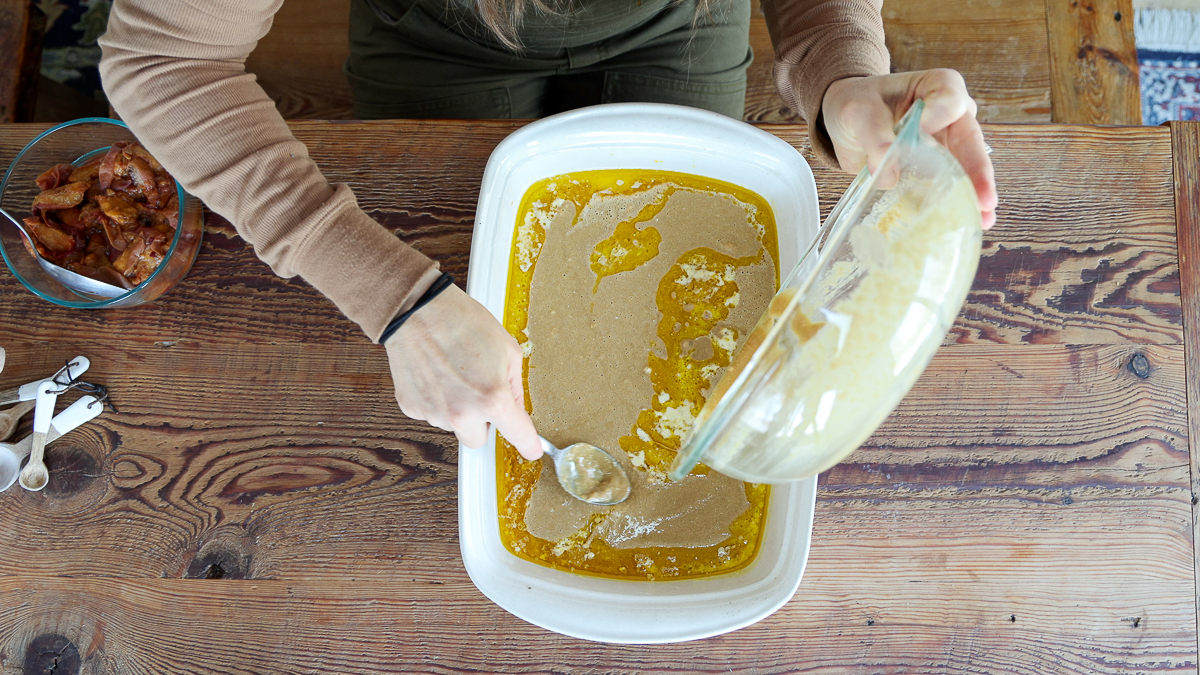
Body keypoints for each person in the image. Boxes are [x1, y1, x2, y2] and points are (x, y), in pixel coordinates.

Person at [98, 0, 997, 463]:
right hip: (434, 36)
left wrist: (843, 76)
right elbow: (161, 55)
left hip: (674, 25)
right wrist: (392, 296)